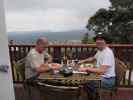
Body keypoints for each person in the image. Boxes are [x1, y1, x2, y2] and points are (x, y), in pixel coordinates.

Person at [78, 33, 115, 99]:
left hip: (107, 80)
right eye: (97, 40)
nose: (98, 41)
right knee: (84, 80)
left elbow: (102, 71)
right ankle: (93, 95)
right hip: (101, 76)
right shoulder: (100, 50)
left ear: (106, 41)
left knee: (84, 82)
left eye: (101, 39)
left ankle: (93, 96)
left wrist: (86, 69)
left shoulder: (108, 53)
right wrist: (82, 61)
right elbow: (93, 58)